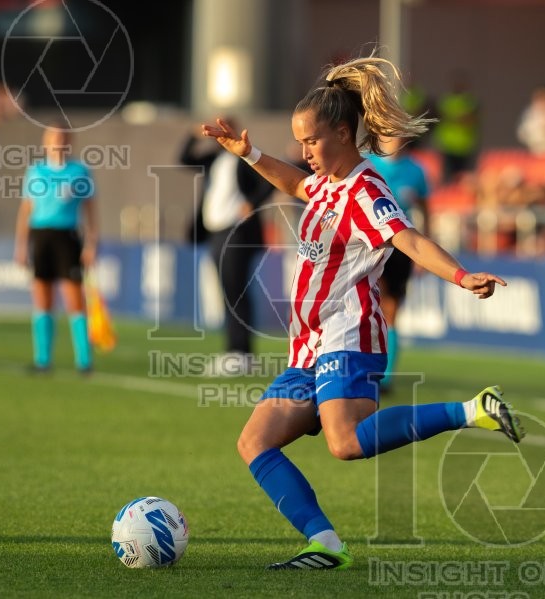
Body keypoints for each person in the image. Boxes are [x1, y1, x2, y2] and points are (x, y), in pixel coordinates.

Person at [201, 55, 524, 571]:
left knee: (346, 442)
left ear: (344, 133)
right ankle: (325, 543)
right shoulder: (327, 182)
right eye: (301, 142)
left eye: (311, 141)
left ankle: (472, 410)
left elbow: (408, 239)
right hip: (308, 346)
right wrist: (250, 153)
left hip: (346, 334)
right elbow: (293, 183)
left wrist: (462, 276)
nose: (304, 152)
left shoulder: (366, 188)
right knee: (255, 442)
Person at [180, 120, 274, 376]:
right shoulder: (214, 159)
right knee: (227, 290)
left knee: (236, 290)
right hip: (215, 231)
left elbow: (270, 181)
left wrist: (252, 204)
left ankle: (241, 353)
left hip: (238, 231)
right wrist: (192, 133)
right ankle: (235, 351)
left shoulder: (245, 158)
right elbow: (184, 158)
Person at [14, 126, 97, 374]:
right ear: (45, 141)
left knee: (74, 298)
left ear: (69, 141)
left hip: (67, 236)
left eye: (61, 137)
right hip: (41, 236)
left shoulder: (79, 171)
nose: (57, 142)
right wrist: (21, 245)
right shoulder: (36, 171)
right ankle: (43, 360)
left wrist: (92, 243)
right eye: (52, 137)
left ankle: (84, 361)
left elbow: (90, 210)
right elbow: (26, 209)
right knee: (42, 298)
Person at [367, 136, 430, 390]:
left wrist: (424, 249)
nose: (394, 139)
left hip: (401, 244)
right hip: (370, 243)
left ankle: (386, 374)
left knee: (391, 309)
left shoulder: (415, 171)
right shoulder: (366, 162)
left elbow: (426, 209)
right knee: (372, 302)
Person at [434, 71, 479, 181]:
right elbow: (439, 116)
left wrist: (453, 117)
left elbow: (470, 119)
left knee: (464, 177)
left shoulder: (470, 102)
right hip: (448, 145)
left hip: (464, 146)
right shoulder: (446, 100)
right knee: (448, 177)